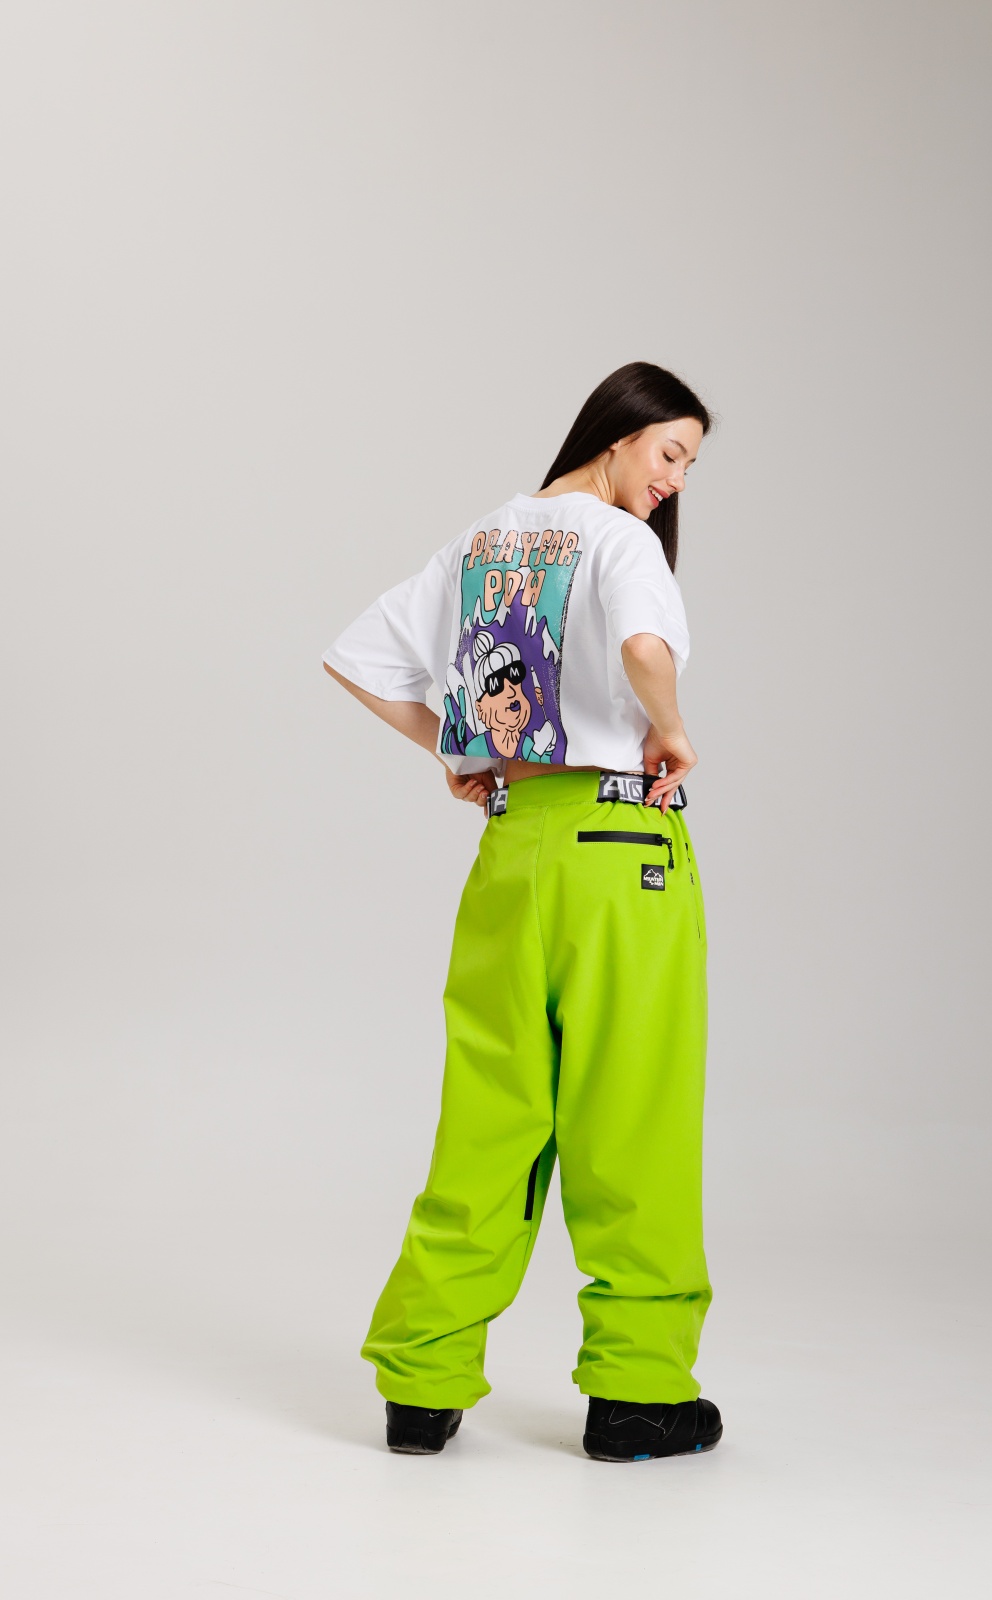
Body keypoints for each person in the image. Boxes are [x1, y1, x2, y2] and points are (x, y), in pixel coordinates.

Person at [323, 361, 723, 1463]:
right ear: (617, 432)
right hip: (618, 848)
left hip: (513, 847)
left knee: (489, 1115)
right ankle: (638, 1393)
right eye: (670, 452)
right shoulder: (620, 542)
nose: (673, 480)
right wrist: (671, 730)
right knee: (631, 1114)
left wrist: (462, 754)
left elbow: (358, 658)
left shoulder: (484, 542)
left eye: (687, 464)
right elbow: (642, 648)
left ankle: (421, 1382)